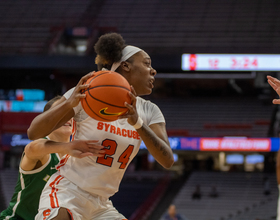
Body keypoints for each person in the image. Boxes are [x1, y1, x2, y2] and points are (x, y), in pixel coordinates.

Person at [28, 33, 174, 220]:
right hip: (68, 191)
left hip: (102, 203)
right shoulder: (88, 91)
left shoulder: (150, 111)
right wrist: (68, 104)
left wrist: (138, 123)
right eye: (147, 63)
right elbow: (34, 132)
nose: (153, 71)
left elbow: (168, 160)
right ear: (126, 66)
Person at [0, 96, 104, 220]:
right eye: (61, 112)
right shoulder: (43, 150)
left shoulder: (77, 156)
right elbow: (31, 148)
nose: (67, 117)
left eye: (71, 114)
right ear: (48, 119)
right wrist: (67, 147)